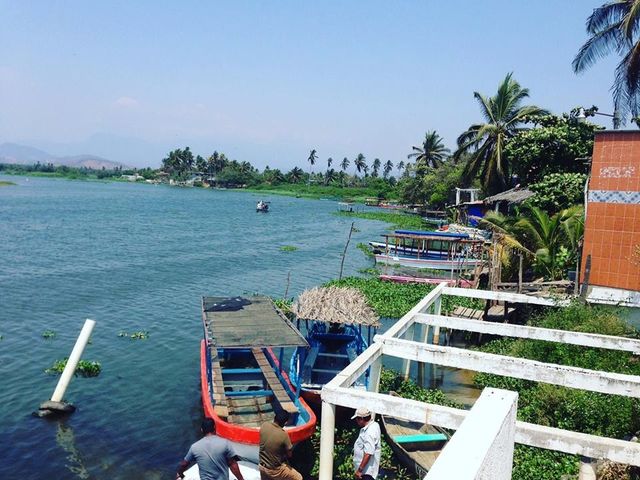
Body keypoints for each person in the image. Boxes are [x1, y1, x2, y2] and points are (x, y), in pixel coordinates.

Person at [176, 418, 245, 480]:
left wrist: (180, 473)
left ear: (202, 430)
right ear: (215, 428)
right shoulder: (225, 443)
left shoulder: (194, 447)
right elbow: (233, 465)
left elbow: (184, 464)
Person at [258, 410, 302, 480]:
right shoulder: (283, 435)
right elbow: (289, 454)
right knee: (298, 477)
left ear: (275, 418)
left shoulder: (264, 425)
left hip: (262, 467)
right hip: (275, 470)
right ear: (285, 423)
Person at [352, 406, 381, 480]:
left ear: (361, 419)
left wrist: (359, 470)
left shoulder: (369, 432)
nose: (356, 421)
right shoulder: (374, 425)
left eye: (357, 419)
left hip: (366, 472)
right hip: (367, 471)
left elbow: (368, 453)